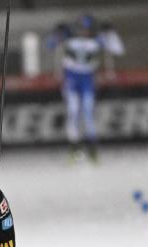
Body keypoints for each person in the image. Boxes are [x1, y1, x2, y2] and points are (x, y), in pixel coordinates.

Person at [49, 14, 125, 161]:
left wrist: (111, 33)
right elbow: (50, 45)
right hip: (71, 78)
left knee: (88, 113)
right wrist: (56, 32)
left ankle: (92, 148)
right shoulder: (69, 38)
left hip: (87, 79)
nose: (84, 32)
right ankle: (74, 147)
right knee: (73, 111)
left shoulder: (97, 40)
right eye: (81, 28)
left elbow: (118, 49)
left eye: (87, 29)